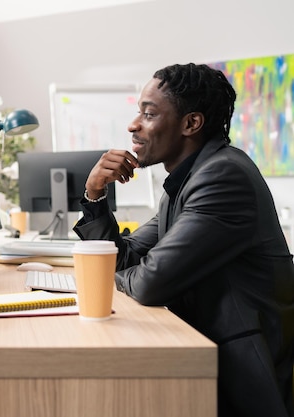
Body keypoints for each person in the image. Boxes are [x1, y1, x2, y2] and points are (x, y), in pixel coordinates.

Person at [73, 63, 294, 417]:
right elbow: (127, 258)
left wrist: (109, 276)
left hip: (244, 376)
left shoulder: (222, 178)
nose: (133, 124)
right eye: (138, 112)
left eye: (149, 113)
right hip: (204, 350)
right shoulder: (187, 182)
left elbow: (148, 283)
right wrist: (94, 193)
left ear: (191, 124)